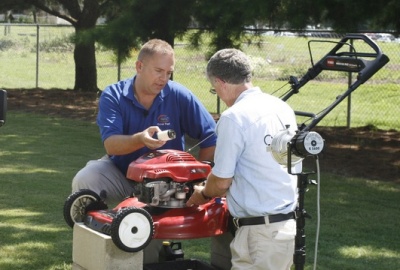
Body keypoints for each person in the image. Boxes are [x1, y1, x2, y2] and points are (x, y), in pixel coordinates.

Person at [72, 39, 217, 263]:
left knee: (145, 255)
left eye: (169, 72)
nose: (164, 78)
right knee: (86, 177)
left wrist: (197, 180)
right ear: (139, 67)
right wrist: (141, 139)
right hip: (120, 172)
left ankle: (144, 258)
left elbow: (211, 137)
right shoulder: (114, 94)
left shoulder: (179, 95)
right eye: (158, 71)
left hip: (164, 187)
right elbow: (111, 144)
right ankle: (93, 252)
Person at [186, 48, 301, 270]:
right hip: (286, 227)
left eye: (214, 89)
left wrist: (203, 193)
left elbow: (221, 183)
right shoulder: (282, 108)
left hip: (259, 234)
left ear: (220, 82)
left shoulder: (234, 117)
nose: (217, 93)